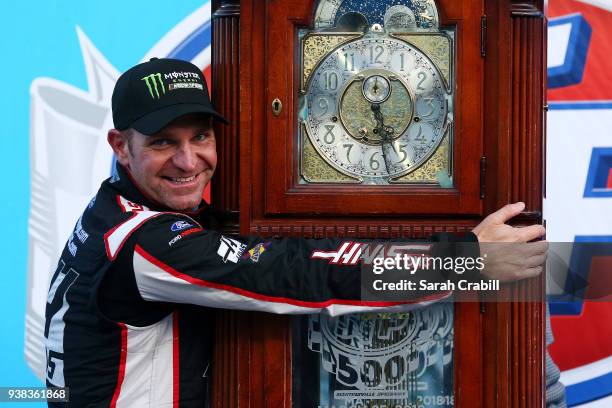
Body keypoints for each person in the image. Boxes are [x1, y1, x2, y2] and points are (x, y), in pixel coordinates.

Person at [44, 58, 548, 407]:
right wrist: (466, 260)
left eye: (201, 136)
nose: (188, 160)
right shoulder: (144, 243)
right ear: (119, 144)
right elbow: (298, 276)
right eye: (162, 142)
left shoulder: (111, 209)